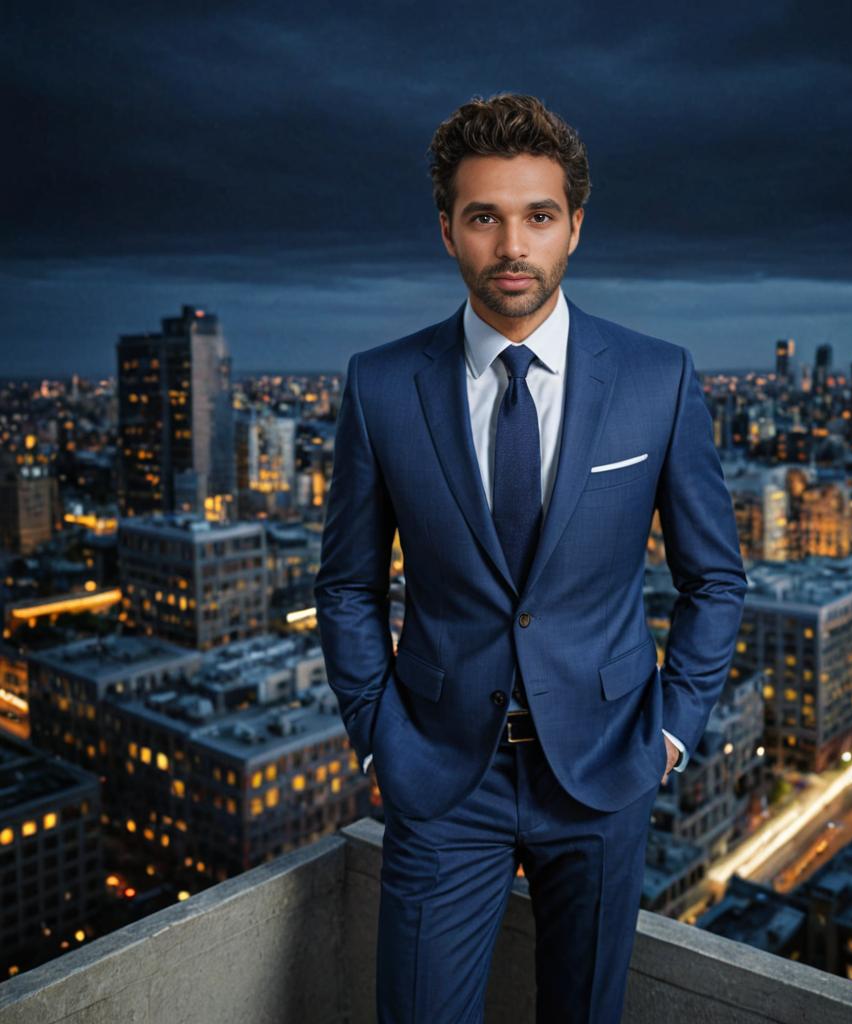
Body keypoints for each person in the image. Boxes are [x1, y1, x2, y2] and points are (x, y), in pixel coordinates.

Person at [314, 92, 748, 1024]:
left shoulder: (658, 377)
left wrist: (669, 732)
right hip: (439, 776)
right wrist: (375, 731)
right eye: (485, 217)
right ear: (447, 232)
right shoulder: (382, 384)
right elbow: (348, 586)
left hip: (605, 769)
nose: (513, 245)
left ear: (574, 229)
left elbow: (715, 579)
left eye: (538, 216)